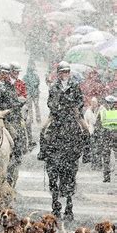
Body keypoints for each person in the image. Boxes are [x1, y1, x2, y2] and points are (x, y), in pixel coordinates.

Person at [39, 61, 87, 221]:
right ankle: (43, 150)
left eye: (66, 71)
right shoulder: (54, 86)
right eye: (62, 72)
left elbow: (81, 101)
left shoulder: (75, 86)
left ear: (69, 72)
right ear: (59, 73)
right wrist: (58, 107)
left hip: (72, 115)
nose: (64, 74)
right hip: (57, 117)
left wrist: (74, 107)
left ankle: (86, 150)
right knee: (43, 130)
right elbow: (50, 102)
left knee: (86, 130)